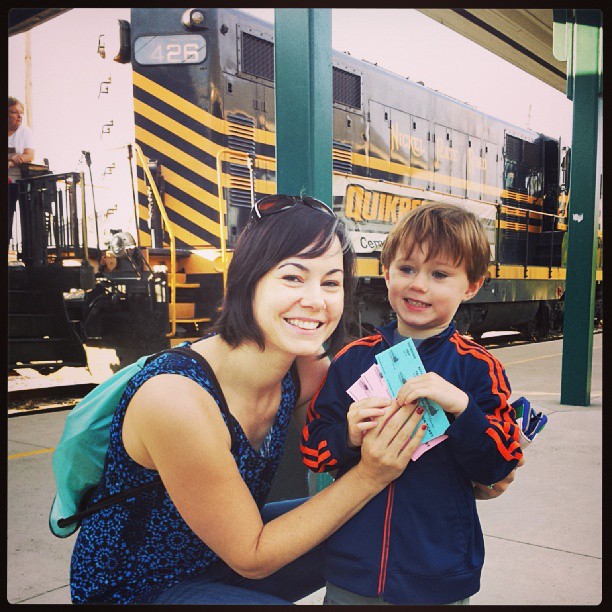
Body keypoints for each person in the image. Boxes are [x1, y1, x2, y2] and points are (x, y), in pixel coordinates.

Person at [69, 194, 429, 605]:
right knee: (365, 495)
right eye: (293, 277)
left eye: (331, 282)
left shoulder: (305, 370)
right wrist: (370, 475)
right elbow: (252, 557)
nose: (316, 300)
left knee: (379, 519)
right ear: (248, 279)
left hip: (214, 558)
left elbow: (410, 414)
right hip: (137, 589)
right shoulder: (176, 399)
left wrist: (483, 462)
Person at [301, 201, 524, 605]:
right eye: (406, 269)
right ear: (386, 273)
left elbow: (498, 465)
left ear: (471, 286)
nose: (418, 284)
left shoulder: (478, 368)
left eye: (439, 274)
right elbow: (313, 449)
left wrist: (462, 410)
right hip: (353, 571)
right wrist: (347, 435)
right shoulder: (353, 359)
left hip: (438, 574)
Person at [8, 96, 35, 245]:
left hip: (21, 182)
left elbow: (29, 155)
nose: (19, 116)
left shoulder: (25, 132)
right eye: (14, 112)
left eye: (21, 113)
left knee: (28, 217)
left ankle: (30, 250)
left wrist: (12, 162)